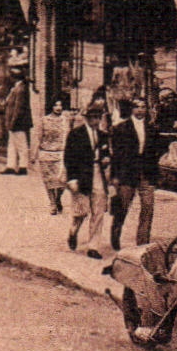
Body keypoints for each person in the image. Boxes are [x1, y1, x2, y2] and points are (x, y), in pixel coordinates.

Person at [108, 98, 159, 250]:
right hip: (127, 174)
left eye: (144, 107)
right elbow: (116, 155)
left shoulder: (151, 128)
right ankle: (115, 233)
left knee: (148, 208)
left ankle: (142, 243)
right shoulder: (120, 128)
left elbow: (155, 151)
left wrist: (155, 174)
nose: (141, 110)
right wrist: (115, 177)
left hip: (146, 173)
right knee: (122, 207)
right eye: (137, 107)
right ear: (131, 109)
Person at [63, 104, 109, 258]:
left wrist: (106, 158)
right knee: (81, 211)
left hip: (98, 174)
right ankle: (73, 231)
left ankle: (93, 246)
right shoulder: (76, 134)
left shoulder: (103, 135)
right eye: (93, 117)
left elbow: (106, 153)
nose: (96, 121)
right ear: (87, 118)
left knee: (99, 210)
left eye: (98, 117)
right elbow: (69, 158)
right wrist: (72, 179)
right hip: (82, 175)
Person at [36, 97, 70, 215]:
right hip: (46, 153)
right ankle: (52, 203)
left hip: (61, 154)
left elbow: (69, 137)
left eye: (60, 105)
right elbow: (39, 138)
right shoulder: (44, 120)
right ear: (51, 107)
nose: (58, 108)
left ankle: (57, 198)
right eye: (56, 105)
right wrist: (34, 155)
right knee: (49, 181)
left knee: (63, 181)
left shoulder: (66, 120)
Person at [0, 70, 32, 175]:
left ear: (15, 78)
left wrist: (13, 121)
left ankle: (23, 167)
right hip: (14, 121)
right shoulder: (16, 88)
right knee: (12, 144)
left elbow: (18, 108)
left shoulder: (20, 89)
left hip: (18, 122)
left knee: (21, 145)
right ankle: (11, 166)